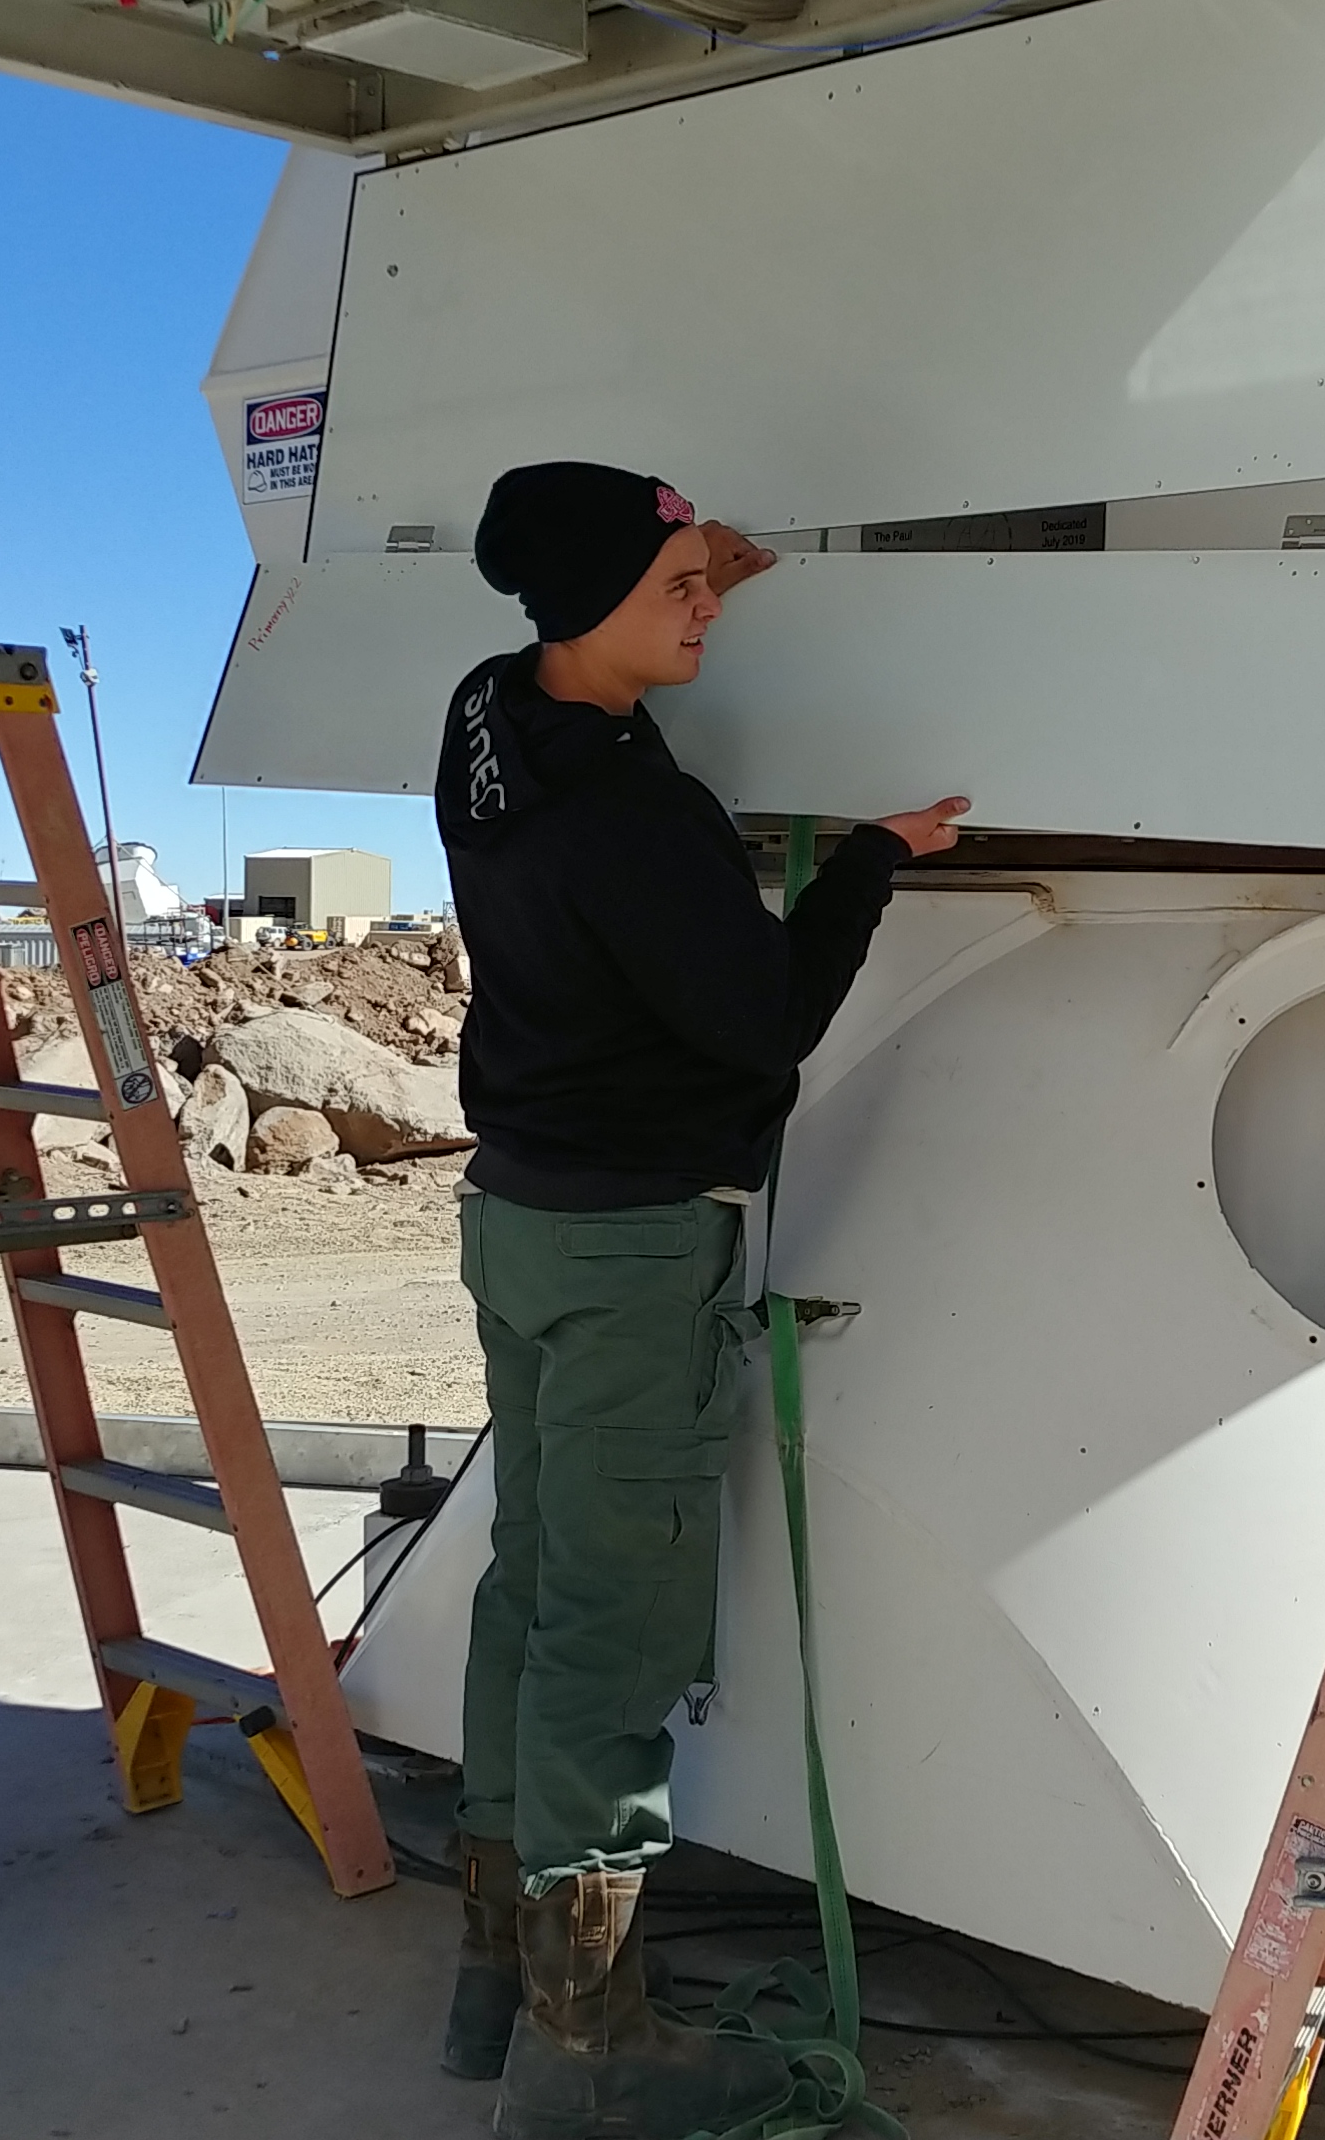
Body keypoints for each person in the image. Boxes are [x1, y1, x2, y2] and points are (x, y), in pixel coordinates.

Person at [431, 460, 969, 2138]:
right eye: (681, 586)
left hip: (518, 1218)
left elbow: (607, 676)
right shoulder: (630, 821)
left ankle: (494, 1986)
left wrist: (660, 584)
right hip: (628, 1250)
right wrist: (873, 861)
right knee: (614, 1627)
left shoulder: (493, 716)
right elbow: (766, 1021)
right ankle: (591, 2054)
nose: (710, 605)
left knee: (531, 1584)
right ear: (593, 604)